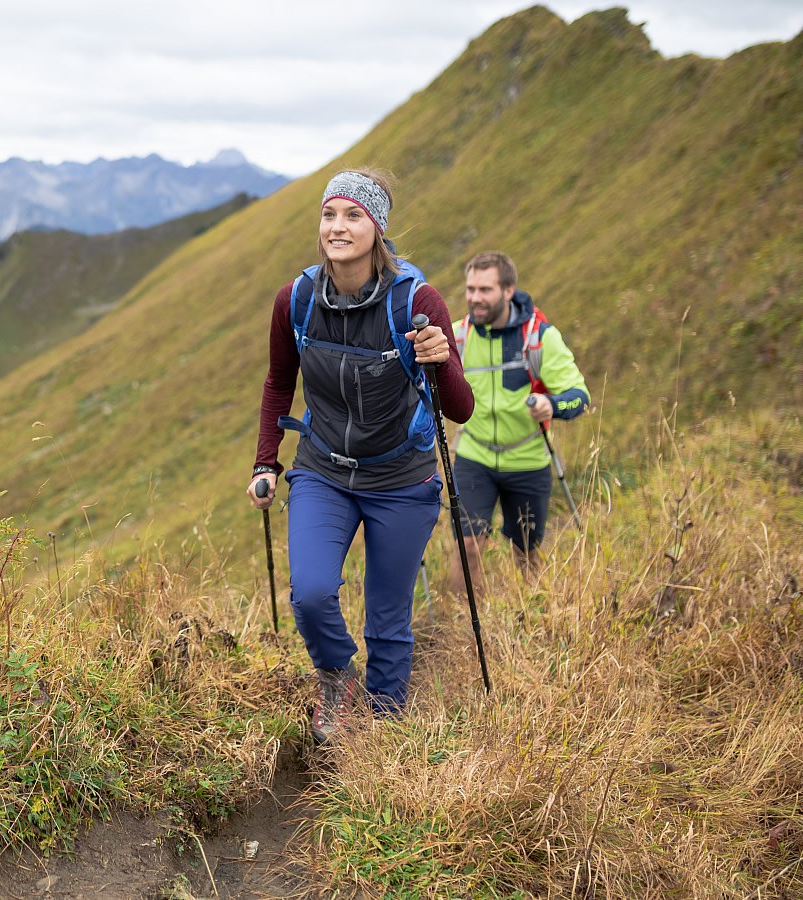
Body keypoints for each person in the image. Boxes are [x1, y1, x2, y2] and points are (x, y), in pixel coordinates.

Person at [246, 169, 473, 743]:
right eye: (329, 215)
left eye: (353, 216)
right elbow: (279, 381)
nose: (338, 227)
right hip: (323, 470)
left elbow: (461, 408)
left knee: (388, 618)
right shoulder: (295, 299)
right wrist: (265, 462)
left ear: (377, 228)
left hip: (402, 478)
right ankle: (338, 679)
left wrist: (441, 359)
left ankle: (384, 734)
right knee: (313, 591)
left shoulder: (418, 302)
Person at [446, 252, 590, 601]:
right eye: (470, 289)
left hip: (528, 459)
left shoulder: (539, 338)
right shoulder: (458, 337)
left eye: (485, 289)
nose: (475, 298)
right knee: (468, 546)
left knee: (526, 551)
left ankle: (529, 621)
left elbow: (580, 397)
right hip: (474, 455)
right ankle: (465, 630)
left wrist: (551, 405)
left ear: (508, 290)